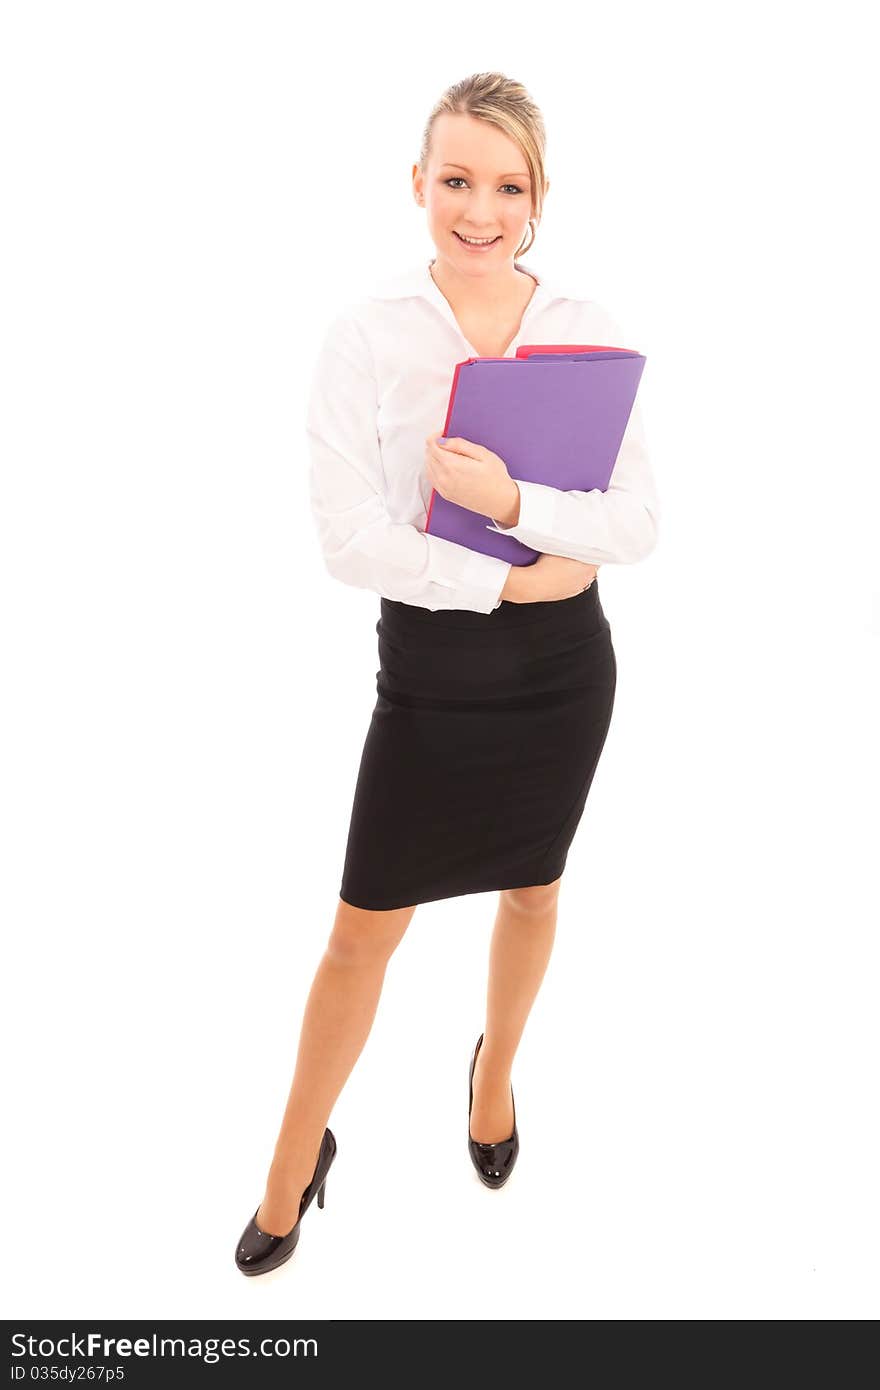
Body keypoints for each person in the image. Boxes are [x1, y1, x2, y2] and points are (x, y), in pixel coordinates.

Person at [234, 70, 661, 1276]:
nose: (480, 208)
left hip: (564, 678)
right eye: (457, 180)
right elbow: (345, 542)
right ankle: (290, 1157)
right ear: (418, 185)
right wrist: (516, 571)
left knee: (535, 889)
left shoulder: (584, 320)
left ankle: (495, 1075)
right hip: (432, 674)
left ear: (538, 198)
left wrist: (514, 502)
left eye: (507, 185)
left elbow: (636, 524)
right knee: (362, 928)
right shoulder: (364, 335)